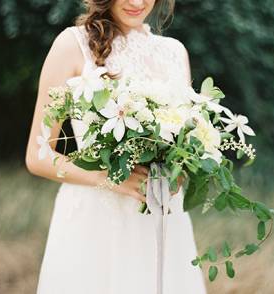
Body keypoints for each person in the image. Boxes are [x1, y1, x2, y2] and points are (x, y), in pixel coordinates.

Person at [25, 0, 207, 293]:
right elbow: (38, 155)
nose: (137, 2)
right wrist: (109, 179)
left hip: (161, 220)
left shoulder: (175, 52)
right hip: (96, 224)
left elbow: (183, 140)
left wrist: (179, 172)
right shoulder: (71, 45)